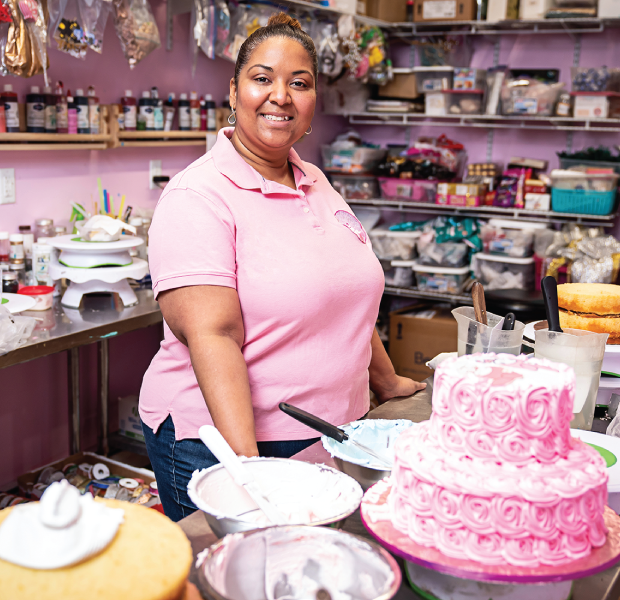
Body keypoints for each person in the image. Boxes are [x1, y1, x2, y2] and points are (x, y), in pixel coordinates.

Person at [138, 12, 425, 521]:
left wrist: (386, 381)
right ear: (233, 91)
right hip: (226, 444)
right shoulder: (197, 196)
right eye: (262, 78)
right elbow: (213, 337)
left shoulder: (312, 177)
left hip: (333, 430)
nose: (281, 96)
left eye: (299, 83)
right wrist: (246, 468)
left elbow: (344, 298)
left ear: (315, 99)